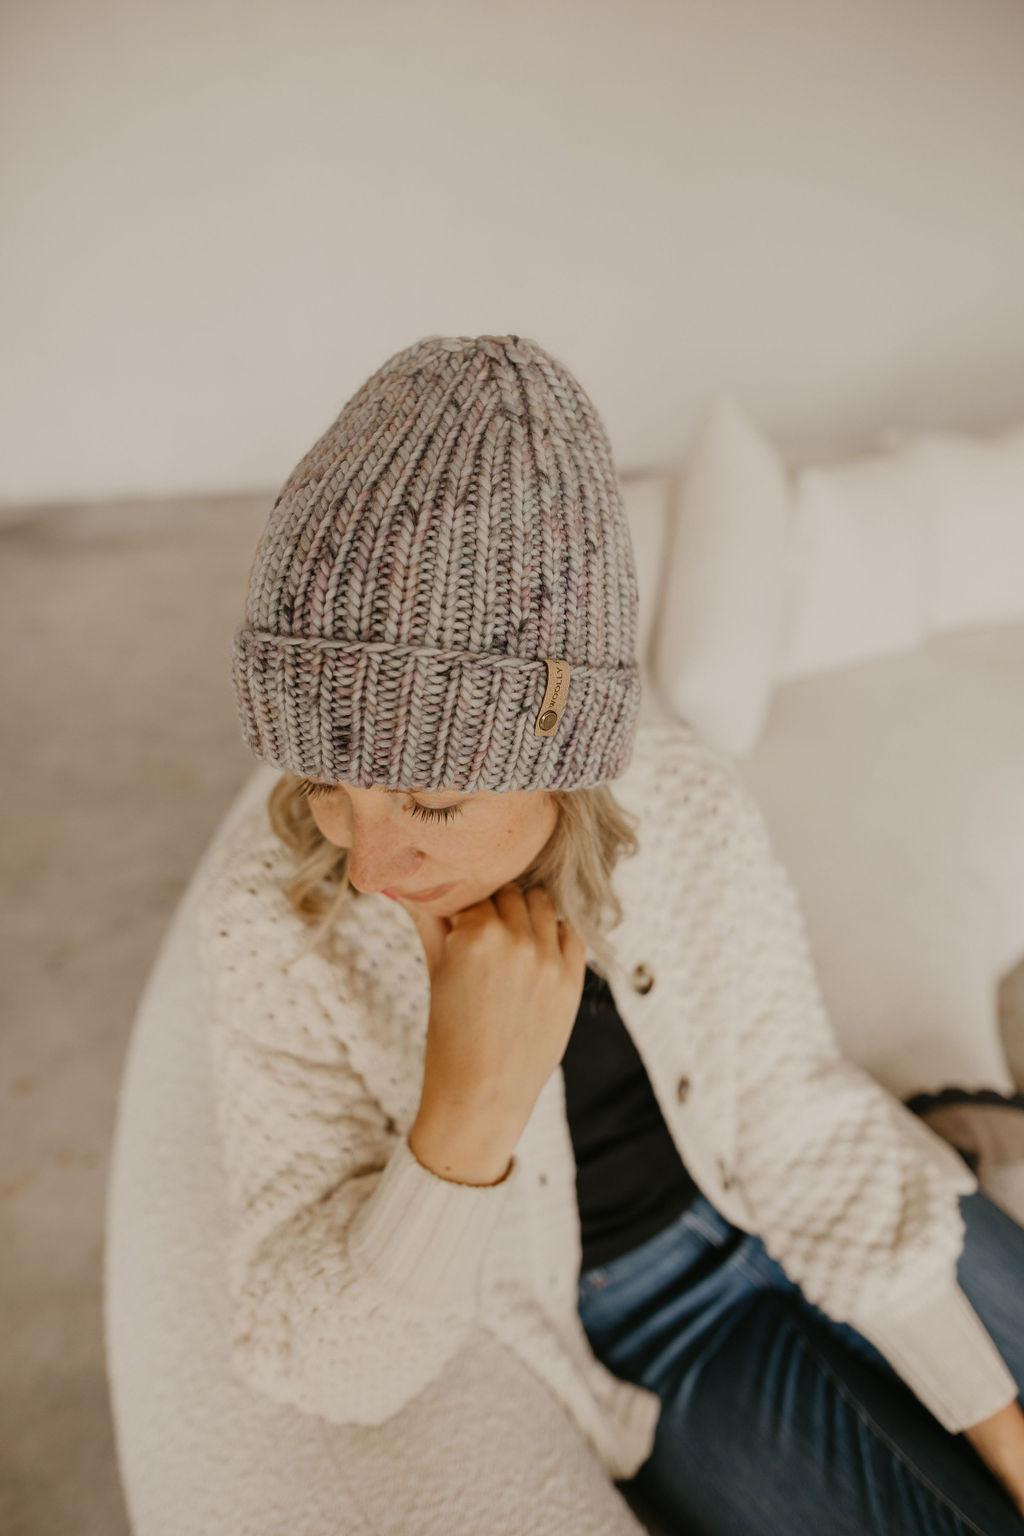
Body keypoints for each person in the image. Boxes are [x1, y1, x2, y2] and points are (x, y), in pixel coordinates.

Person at [198, 332, 1024, 1535]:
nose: (371, 864)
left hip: (781, 1187)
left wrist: (993, 1421)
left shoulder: (679, 801)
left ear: (569, 761)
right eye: (329, 782)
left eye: (431, 803)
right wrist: (462, 1115)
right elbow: (318, 1366)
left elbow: (787, 1105)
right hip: (638, 1326)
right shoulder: (277, 920)